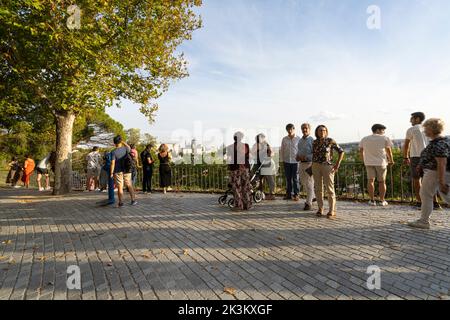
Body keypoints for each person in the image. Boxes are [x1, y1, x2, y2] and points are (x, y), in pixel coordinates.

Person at [408, 119, 450, 230]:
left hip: (435, 173)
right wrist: (421, 165)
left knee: (428, 195)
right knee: (439, 196)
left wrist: (441, 182)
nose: (424, 130)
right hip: (436, 172)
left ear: (431, 129)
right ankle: (423, 220)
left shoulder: (439, 143)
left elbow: (441, 163)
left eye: (426, 128)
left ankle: (424, 221)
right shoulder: (442, 141)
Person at [312, 125, 345, 219]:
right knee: (318, 188)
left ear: (326, 132)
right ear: (317, 132)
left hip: (327, 166)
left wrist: (337, 164)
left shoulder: (330, 141)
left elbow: (341, 151)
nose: (322, 132)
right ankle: (320, 208)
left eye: (324, 130)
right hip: (316, 165)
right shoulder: (314, 142)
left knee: (330, 189)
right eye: (320, 130)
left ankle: (331, 210)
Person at [359, 124, 395, 206]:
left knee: (370, 181)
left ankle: (372, 200)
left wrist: (363, 160)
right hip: (381, 162)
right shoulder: (385, 138)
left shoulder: (365, 139)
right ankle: (381, 200)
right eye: (383, 130)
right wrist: (391, 160)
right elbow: (388, 150)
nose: (384, 132)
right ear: (378, 130)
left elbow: (361, 150)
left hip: (368, 162)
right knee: (382, 182)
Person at [403, 112, 428, 207]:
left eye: (412, 118)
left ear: (417, 119)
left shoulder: (411, 129)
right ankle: (435, 202)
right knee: (430, 180)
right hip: (429, 157)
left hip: (416, 156)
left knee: (417, 180)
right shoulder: (428, 128)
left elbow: (406, 145)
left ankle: (420, 201)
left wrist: (405, 157)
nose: (410, 120)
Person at [227, 132, 252, 211]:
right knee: (246, 187)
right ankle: (247, 205)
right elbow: (248, 156)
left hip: (235, 169)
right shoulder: (246, 146)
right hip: (245, 168)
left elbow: (229, 158)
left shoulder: (230, 147)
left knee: (237, 187)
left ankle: (238, 205)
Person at [110, 136, 137, 207]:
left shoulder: (113, 152)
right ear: (120, 141)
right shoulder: (125, 149)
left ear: (114, 142)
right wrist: (123, 142)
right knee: (129, 185)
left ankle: (121, 203)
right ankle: (133, 200)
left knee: (120, 187)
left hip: (118, 171)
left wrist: (111, 173)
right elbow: (130, 148)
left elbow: (113, 163)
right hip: (127, 170)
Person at [296, 123, 316, 211]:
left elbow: (315, 153)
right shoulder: (300, 141)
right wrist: (297, 156)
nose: (304, 130)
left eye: (306, 128)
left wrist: (306, 157)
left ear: (309, 129)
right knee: (304, 182)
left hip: (309, 163)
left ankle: (308, 203)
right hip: (301, 163)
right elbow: (299, 151)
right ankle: (313, 196)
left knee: (309, 183)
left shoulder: (312, 140)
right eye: (303, 128)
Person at [251, 134, 276, 200]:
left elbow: (272, 153)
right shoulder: (255, 145)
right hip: (258, 164)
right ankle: (260, 193)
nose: (257, 140)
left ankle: (272, 194)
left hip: (267, 163)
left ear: (263, 138)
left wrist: (269, 155)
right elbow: (252, 153)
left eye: (258, 139)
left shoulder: (267, 145)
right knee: (258, 179)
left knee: (269, 179)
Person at [280, 124, 301, 201]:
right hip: (286, 161)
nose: (289, 131)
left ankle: (296, 194)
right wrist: (281, 161)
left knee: (295, 178)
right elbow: (282, 150)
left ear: (294, 129)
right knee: (288, 179)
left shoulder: (298, 139)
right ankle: (288, 194)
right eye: (288, 129)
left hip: (296, 162)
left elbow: (300, 150)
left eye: (291, 129)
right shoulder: (284, 139)